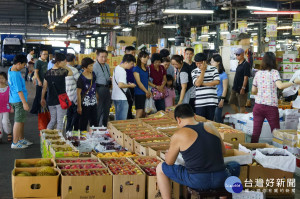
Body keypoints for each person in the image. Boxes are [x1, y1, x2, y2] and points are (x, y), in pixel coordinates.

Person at [156, 104, 240, 199]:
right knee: (234, 165)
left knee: (160, 168)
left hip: (198, 181)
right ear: (195, 116)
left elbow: (169, 162)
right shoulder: (211, 126)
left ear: (178, 119)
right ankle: (223, 196)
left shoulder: (179, 134)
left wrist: (168, 155)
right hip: (220, 178)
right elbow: (223, 151)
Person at [251, 52, 300, 143]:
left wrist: (261, 92)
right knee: (276, 133)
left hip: (258, 106)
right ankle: (278, 153)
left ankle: (252, 152)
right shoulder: (274, 72)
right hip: (271, 107)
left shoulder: (258, 73)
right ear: (273, 61)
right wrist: (294, 82)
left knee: (256, 133)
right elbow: (280, 86)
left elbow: (253, 90)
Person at [41, 53, 73, 131]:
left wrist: (42, 98)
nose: (65, 63)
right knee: (60, 121)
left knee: (53, 120)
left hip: (50, 99)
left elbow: (44, 87)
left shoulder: (47, 73)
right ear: (58, 62)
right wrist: (64, 66)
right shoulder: (62, 72)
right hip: (61, 100)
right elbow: (71, 72)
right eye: (64, 62)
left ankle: (46, 137)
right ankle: (60, 140)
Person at [8, 54, 32, 149]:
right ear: (18, 63)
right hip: (18, 100)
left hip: (15, 99)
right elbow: (19, 90)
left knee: (21, 120)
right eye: (23, 65)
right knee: (18, 121)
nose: (23, 67)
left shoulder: (11, 68)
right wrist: (24, 103)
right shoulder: (15, 75)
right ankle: (15, 142)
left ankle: (21, 139)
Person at [192, 53, 220, 120]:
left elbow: (217, 82)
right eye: (196, 63)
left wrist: (203, 83)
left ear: (205, 62)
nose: (198, 65)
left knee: (210, 122)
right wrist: (203, 71)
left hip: (211, 100)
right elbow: (197, 84)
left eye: (200, 63)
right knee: (200, 122)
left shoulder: (214, 69)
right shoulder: (194, 71)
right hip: (200, 102)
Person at [112, 54, 136, 120]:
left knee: (117, 117)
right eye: (131, 64)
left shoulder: (117, 67)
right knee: (121, 120)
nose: (132, 66)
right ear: (125, 63)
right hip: (121, 98)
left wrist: (127, 84)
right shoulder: (123, 71)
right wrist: (130, 85)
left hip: (116, 96)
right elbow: (120, 85)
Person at [77, 58, 98, 131]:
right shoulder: (81, 78)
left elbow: (95, 88)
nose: (92, 67)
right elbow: (78, 93)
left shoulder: (93, 74)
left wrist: (96, 99)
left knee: (94, 122)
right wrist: (79, 107)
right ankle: (83, 139)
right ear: (84, 67)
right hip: (85, 103)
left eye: (92, 65)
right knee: (84, 122)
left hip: (93, 101)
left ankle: (94, 138)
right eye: (90, 66)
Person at [229, 48, 251, 113]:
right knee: (231, 102)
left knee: (242, 105)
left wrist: (243, 88)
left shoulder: (246, 64)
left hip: (242, 88)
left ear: (243, 54)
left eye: (238, 55)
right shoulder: (239, 63)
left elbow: (246, 77)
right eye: (236, 55)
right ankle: (238, 114)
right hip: (235, 87)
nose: (237, 56)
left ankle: (242, 119)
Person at [94, 49, 111, 127]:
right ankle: (95, 127)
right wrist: (95, 93)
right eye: (102, 57)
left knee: (106, 109)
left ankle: (103, 127)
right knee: (98, 110)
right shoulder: (95, 66)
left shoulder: (107, 65)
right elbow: (93, 81)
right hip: (99, 89)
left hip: (107, 89)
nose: (104, 59)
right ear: (97, 56)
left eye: (105, 57)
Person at [133, 51, 151, 118]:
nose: (146, 59)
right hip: (139, 93)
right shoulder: (136, 69)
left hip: (145, 93)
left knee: (144, 113)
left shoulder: (146, 69)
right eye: (144, 57)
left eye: (147, 58)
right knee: (139, 113)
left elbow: (146, 81)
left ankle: (141, 127)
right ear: (140, 58)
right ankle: (135, 127)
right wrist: (146, 91)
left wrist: (148, 91)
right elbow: (139, 82)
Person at [30, 50, 48, 114]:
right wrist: (39, 81)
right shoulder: (38, 62)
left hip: (45, 82)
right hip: (40, 82)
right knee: (38, 96)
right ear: (41, 54)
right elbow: (36, 72)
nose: (46, 55)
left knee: (43, 96)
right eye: (44, 54)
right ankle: (36, 111)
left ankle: (37, 110)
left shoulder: (46, 62)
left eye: (46, 54)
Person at [65, 53, 80, 132]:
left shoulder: (62, 69)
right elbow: (79, 81)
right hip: (73, 97)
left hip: (65, 97)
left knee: (68, 115)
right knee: (75, 116)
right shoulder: (74, 70)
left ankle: (67, 131)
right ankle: (72, 132)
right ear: (74, 60)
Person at [212, 54, 228, 123]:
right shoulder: (211, 72)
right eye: (211, 61)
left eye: (213, 61)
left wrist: (222, 100)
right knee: (212, 116)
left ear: (218, 62)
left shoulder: (223, 74)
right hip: (212, 97)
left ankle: (222, 131)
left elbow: (225, 88)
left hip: (219, 97)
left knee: (217, 116)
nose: (211, 63)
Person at [124, 46, 136, 119]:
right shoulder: (124, 64)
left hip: (132, 85)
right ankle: (127, 118)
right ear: (126, 53)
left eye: (134, 53)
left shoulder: (132, 63)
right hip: (126, 86)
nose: (134, 54)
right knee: (127, 104)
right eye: (132, 53)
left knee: (130, 103)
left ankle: (129, 117)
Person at [0, 72, 12, 143]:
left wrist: (12, 107)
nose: (0, 80)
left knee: (5, 122)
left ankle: (9, 132)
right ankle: (0, 136)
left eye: (2, 78)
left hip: (6, 108)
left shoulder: (8, 88)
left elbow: (11, 98)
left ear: (6, 79)